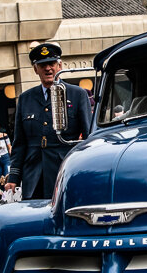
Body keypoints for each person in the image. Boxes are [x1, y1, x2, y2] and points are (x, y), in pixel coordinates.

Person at [5, 42, 91, 200]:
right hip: (33, 174)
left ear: (60, 65)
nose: (48, 68)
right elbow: (20, 142)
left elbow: (89, 137)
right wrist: (14, 177)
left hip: (64, 169)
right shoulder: (26, 99)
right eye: (42, 65)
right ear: (35, 69)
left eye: (51, 64)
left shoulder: (77, 95)